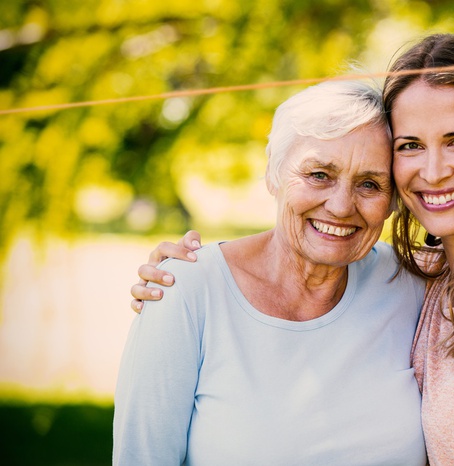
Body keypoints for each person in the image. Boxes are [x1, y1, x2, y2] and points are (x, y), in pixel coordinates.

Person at [131, 34, 454, 465]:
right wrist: (190, 276)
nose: (432, 172)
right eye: (410, 145)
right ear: (274, 175)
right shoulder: (428, 279)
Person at [113, 79, 428, 465]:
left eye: (369, 184)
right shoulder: (185, 292)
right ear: (273, 175)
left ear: (394, 201)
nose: (342, 206)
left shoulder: (415, 284)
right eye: (319, 175)